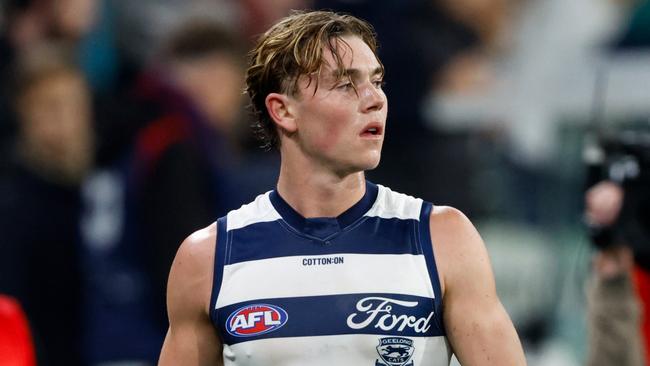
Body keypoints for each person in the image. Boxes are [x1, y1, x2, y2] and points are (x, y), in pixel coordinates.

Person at [159, 10, 526, 365]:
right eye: (347, 84)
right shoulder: (208, 259)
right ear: (283, 111)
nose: (375, 99)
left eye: (376, 81)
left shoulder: (442, 239)